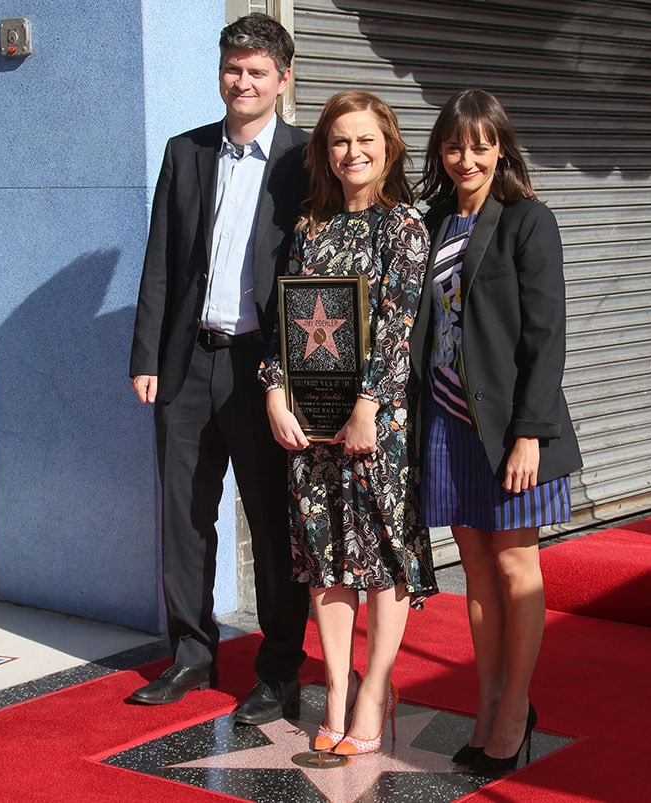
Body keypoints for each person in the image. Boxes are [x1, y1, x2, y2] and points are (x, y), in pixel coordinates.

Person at [128, 13, 310, 723]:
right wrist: (147, 355)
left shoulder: (304, 160)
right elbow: (161, 264)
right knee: (184, 516)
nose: (243, 81)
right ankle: (192, 657)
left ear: (283, 80)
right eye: (234, 68)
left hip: (261, 372)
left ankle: (277, 669)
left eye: (258, 71)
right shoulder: (187, 152)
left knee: (271, 523)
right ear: (221, 72)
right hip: (186, 365)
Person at [259, 90, 438, 755]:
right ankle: (336, 686)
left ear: (387, 146)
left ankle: (375, 687)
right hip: (311, 431)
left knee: (383, 555)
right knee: (326, 558)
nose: (353, 152)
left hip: (377, 426)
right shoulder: (310, 227)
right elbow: (288, 325)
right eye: (339, 141)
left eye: (365, 139)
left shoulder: (405, 228)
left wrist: (368, 406)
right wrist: (275, 392)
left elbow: (397, 327)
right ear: (324, 152)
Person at [414, 89, 582, 775]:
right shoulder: (429, 222)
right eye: (454, 145)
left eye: (479, 144)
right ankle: (485, 704)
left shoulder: (527, 221)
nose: (466, 158)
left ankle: (516, 707)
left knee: (515, 566)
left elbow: (547, 334)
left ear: (500, 147)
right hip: (447, 422)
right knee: (476, 572)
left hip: (510, 427)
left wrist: (530, 433)